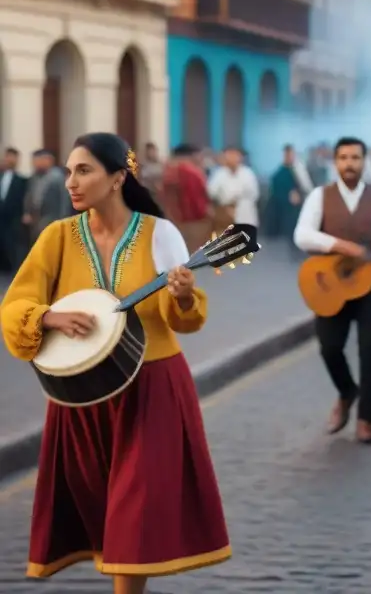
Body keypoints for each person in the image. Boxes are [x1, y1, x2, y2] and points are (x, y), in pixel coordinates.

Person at [0, 133, 230, 594]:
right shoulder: (57, 238)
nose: (71, 182)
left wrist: (183, 296)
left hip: (152, 386)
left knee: (134, 507)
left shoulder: (159, 233)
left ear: (118, 178)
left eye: (83, 170)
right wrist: (49, 315)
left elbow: (185, 318)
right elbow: (15, 304)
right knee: (95, 504)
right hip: (80, 392)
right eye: (68, 171)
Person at [293, 137, 371, 443]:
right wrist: (340, 245)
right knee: (329, 348)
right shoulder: (320, 196)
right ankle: (348, 392)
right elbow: (302, 234)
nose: (349, 164)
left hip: (367, 286)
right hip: (329, 286)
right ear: (335, 162)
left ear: (364, 161)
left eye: (355, 158)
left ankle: (366, 420)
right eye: (344, 158)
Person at [206, 146, 259, 233]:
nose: (232, 158)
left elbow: (254, 194)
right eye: (229, 155)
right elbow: (211, 192)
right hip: (224, 215)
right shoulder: (219, 174)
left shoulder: (248, 173)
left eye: (235, 155)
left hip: (244, 214)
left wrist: (235, 197)